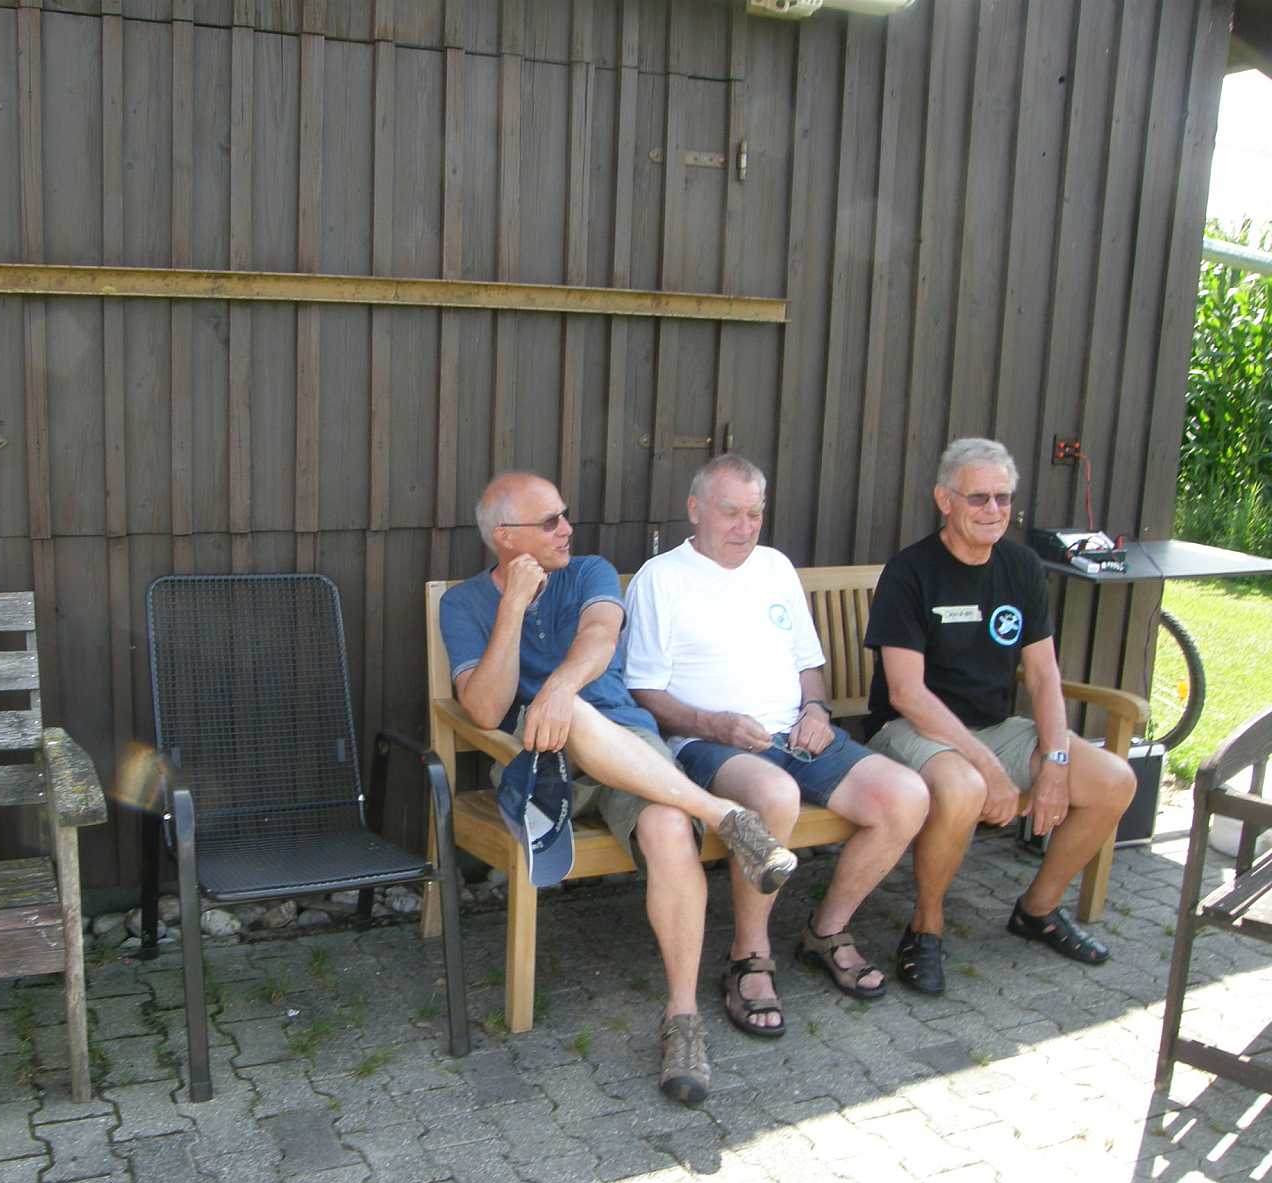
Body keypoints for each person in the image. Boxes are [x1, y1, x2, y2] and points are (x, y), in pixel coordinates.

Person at [440, 472, 797, 1106]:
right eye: (548, 521)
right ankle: (725, 816)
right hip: (539, 760)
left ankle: (682, 1019)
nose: (566, 528)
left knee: (665, 824)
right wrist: (513, 607)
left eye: (564, 514)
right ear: (505, 537)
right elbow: (487, 710)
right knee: (574, 720)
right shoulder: (463, 603)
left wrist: (557, 689)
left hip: (630, 745)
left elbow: (601, 639)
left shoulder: (589, 572)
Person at [623, 454, 928, 1037]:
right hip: (707, 744)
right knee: (776, 795)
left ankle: (826, 930)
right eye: (730, 512)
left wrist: (816, 709)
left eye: (755, 513)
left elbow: (808, 664)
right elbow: (644, 691)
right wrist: (714, 724)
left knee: (906, 795)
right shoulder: (661, 578)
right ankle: (748, 955)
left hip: (796, 732)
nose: (745, 527)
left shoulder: (776, 567)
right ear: (695, 510)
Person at [863, 437, 1136, 996]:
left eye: (1003, 498)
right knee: (963, 786)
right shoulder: (911, 571)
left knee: (1114, 779)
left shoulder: (1021, 566)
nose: (993, 510)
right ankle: (926, 928)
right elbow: (907, 694)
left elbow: (1043, 675)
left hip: (996, 728)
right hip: (911, 730)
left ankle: (1038, 910)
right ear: (945, 500)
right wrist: (988, 767)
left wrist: (1055, 759)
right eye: (978, 498)